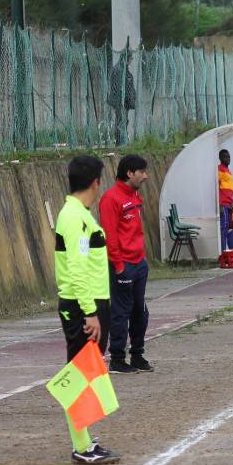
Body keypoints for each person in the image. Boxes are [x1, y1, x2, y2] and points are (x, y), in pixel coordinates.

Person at [54, 155, 120, 465]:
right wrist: (90, 313)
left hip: (90, 303)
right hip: (84, 307)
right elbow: (78, 270)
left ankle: (84, 440)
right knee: (79, 375)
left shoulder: (79, 213)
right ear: (96, 182)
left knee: (86, 372)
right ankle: (82, 446)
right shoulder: (74, 217)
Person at [99, 154, 151, 375]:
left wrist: (142, 259)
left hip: (139, 263)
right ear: (130, 173)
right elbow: (110, 236)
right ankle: (117, 358)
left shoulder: (134, 195)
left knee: (141, 311)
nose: (145, 176)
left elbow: (135, 230)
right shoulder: (111, 199)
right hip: (123, 265)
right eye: (141, 172)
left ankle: (137, 354)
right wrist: (119, 266)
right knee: (121, 311)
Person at [107, 53, 136, 145]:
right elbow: (118, 88)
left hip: (125, 101)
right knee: (121, 121)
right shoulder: (118, 70)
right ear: (126, 59)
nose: (131, 60)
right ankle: (122, 143)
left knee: (124, 121)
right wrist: (122, 100)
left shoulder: (125, 71)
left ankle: (121, 142)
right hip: (120, 102)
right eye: (130, 58)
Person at [217, 149, 233, 251]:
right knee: (223, 230)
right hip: (223, 205)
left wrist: (232, 203)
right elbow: (216, 187)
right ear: (220, 158)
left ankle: (230, 253)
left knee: (229, 229)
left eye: (228, 157)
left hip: (229, 204)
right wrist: (219, 204)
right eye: (225, 157)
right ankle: (223, 253)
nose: (227, 159)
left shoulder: (228, 171)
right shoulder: (219, 169)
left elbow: (228, 189)